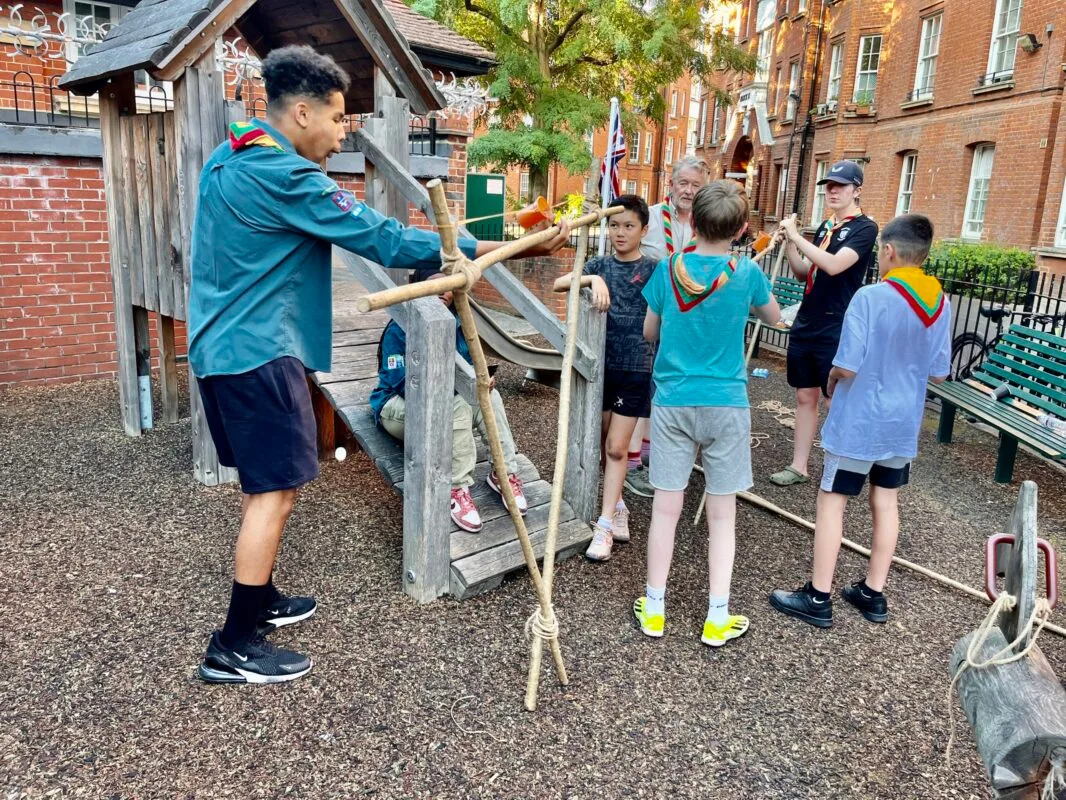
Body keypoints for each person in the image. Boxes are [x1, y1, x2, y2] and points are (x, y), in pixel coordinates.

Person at [188, 45, 568, 685]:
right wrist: (506, 247)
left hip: (221, 347)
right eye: (338, 118)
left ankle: (261, 599)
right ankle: (233, 644)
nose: (343, 134)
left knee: (268, 485)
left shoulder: (229, 156)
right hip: (257, 351)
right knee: (273, 493)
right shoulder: (285, 174)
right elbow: (382, 237)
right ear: (302, 113)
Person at [769, 214, 951, 627]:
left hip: (861, 420)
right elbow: (939, 372)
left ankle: (818, 596)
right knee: (885, 501)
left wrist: (832, 378)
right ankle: (873, 592)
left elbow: (847, 365)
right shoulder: (940, 301)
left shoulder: (870, 296)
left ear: (888, 251)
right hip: (903, 422)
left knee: (832, 499)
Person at [633, 181, 781, 647]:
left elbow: (650, 331)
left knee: (665, 509)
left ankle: (654, 607)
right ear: (740, 229)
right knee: (722, 515)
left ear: (692, 222)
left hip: (674, 398)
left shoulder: (668, 268)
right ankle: (717, 615)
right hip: (726, 402)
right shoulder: (747, 272)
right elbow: (774, 316)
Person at [370, 275, 527, 533]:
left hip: (445, 403)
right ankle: (456, 487)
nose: (443, 291)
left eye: (448, 286)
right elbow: (400, 382)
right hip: (396, 406)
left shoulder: (457, 323)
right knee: (456, 401)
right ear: (420, 288)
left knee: (489, 397)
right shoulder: (399, 327)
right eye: (435, 283)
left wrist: (481, 380)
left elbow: (468, 368)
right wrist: (451, 387)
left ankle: (503, 472)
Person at [552, 195, 657, 561]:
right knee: (602, 443)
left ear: (644, 230)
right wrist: (592, 277)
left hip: (636, 367)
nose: (620, 232)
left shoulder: (654, 269)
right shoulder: (599, 265)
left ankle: (605, 526)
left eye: (629, 226)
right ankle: (618, 506)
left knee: (616, 447)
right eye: (614, 225)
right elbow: (559, 283)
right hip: (600, 368)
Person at [769, 161, 879, 488]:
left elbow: (833, 265)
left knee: (834, 398)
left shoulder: (864, 229)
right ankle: (799, 466)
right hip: (808, 321)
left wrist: (796, 236)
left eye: (840, 185)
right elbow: (805, 273)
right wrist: (790, 243)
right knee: (805, 395)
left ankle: (839, 467)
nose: (832, 190)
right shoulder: (826, 227)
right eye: (829, 185)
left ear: (856, 190)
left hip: (836, 324)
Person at [625, 156, 710, 498]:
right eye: (683, 183)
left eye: (696, 185)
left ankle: (648, 450)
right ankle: (631, 463)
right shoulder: (650, 218)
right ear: (671, 184)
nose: (688, 190)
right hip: (644, 312)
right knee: (640, 384)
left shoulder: (707, 224)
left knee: (664, 385)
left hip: (685, 321)